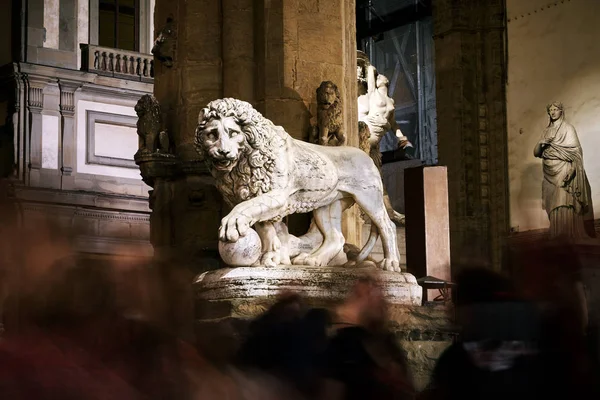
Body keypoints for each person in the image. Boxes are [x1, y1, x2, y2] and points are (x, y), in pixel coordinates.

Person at [324, 276, 415, 400]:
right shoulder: (342, 345)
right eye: (366, 295)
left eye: (377, 295)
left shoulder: (386, 341)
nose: (377, 300)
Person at [533, 102, 594, 238]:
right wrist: (541, 142)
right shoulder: (546, 131)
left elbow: (576, 153)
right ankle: (556, 233)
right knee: (553, 202)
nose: (553, 112)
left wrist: (572, 169)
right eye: (550, 110)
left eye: (556, 109)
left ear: (561, 111)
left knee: (565, 200)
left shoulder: (568, 129)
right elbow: (536, 153)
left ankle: (570, 233)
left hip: (565, 170)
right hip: (549, 173)